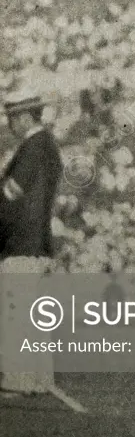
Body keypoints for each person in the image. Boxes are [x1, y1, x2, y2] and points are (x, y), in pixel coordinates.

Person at [0, 92, 64, 394]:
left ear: (24, 116)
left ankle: (18, 378)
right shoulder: (47, 145)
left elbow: (10, 197)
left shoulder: (33, 146)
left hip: (20, 241)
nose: (10, 124)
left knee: (16, 311)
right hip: (37, 241)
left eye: (11, 118)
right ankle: (39, 379)